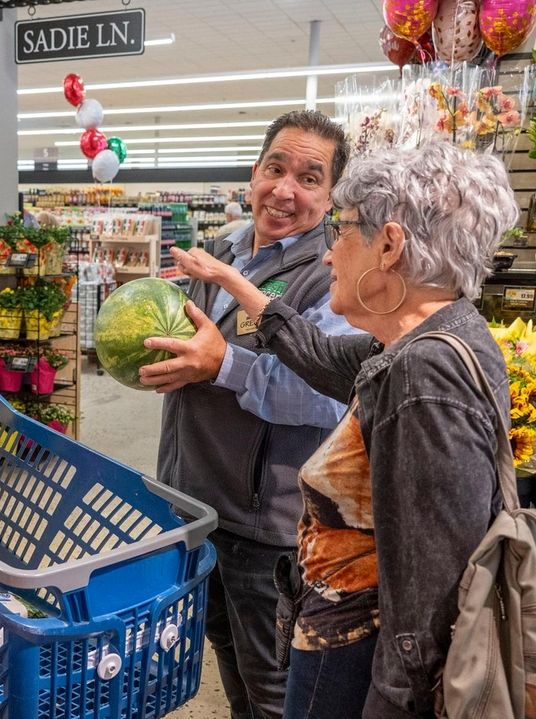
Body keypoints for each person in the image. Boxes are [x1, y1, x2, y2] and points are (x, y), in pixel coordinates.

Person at [147, 143, 516, 718]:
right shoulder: (411, 342)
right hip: (341, 636)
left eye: (343, 232)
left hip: (360, 656)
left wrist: (394, 701)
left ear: (389, 246)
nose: (327, 256)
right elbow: (317, 355)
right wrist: (232, 279)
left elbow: (430, 581)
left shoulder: (426, 374)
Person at [147, 109, 360, 719]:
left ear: (330, 197)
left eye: (309, 177)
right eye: (276, 168)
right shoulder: (220, 251)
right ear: (253, 173)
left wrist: (222, 367)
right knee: (225, 652)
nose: (285, 190)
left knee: (273, 684)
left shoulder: (330, 275)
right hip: (193, 502)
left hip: (266, 522)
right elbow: (191, 350)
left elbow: (325, 395)